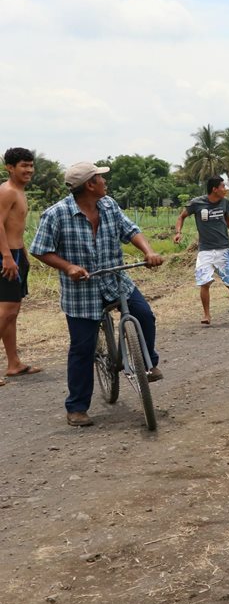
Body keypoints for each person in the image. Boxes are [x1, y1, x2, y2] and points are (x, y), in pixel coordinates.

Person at [30, 162, 164, 426]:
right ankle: (77, 408)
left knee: (145, 315)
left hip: (116, 280)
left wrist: (148, 252)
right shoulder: (56, 214)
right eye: (101, 178)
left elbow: (131, 231)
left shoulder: (109, 205)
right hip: (82, 290)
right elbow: (39, 249)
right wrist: (68, 267)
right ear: (90, 185)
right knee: (83, 347)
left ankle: (147, 364)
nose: (105, 182)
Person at [174, 176, 229, 325]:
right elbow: (181, 217)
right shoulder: (197, 203)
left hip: (223, 249)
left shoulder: (224, 202)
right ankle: (207, 315)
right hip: (205, 249)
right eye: (223, 186)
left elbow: (228, 218)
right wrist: (178, 232)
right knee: (204, 282)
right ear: (215, 189)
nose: (225, 189)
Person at [1, 147, 42, 382]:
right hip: (6, 257)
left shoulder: (19, 191)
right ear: (10, 168)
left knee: (12, 312)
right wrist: (7, 256)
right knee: (6, 312)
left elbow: (13, 228)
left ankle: (14, 363)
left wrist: (23, 255)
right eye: (23, 166)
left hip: (16, 255)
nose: (29, 170)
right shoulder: (7, 191)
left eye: (30, 165)